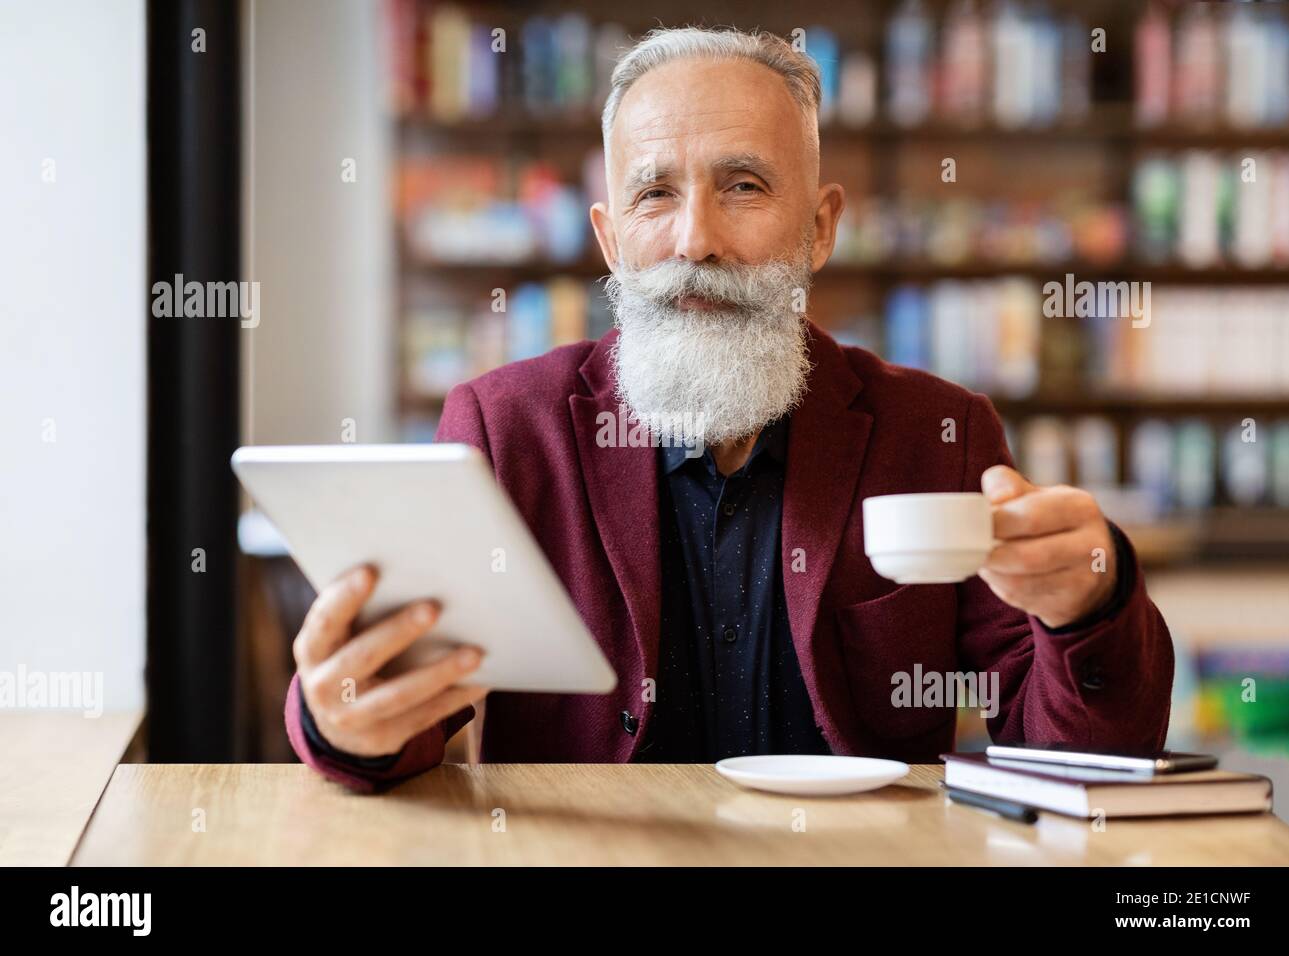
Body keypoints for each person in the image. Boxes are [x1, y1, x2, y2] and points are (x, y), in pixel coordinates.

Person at [286, 26, 1173, 792]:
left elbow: (1080, 754)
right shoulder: (506, 429)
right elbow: (399, 713)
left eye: (743, 186)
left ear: (820, 228)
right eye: (654, 193)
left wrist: (1091, 604)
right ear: (608, 239)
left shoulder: (937, 433)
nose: (696, 240)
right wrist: (345, 719)